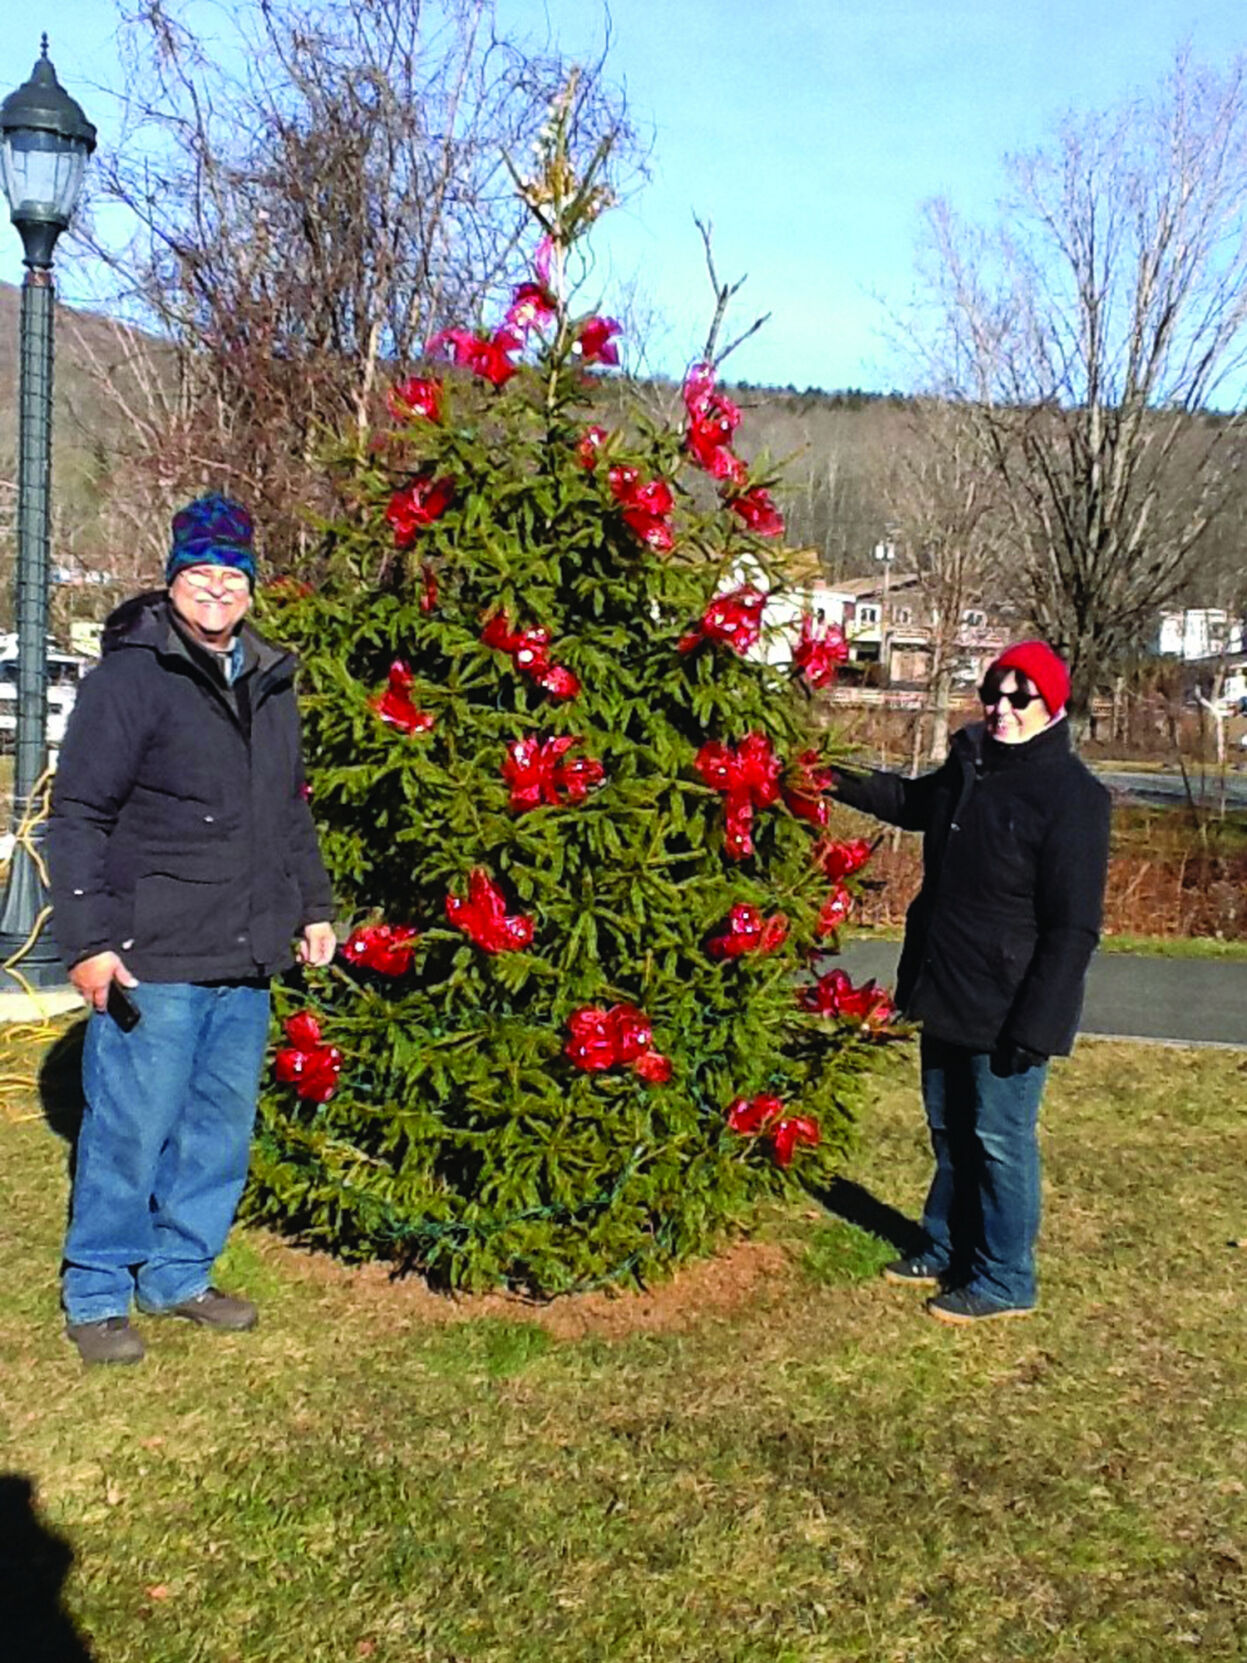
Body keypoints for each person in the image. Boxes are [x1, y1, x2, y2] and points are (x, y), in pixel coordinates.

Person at [48, 494, 335, 1366]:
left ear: (251, 585)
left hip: (244, 952)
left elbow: (288, 810)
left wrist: (313, 906)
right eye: (200, 571)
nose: (216, 588)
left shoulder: (269, 680)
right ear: (173, 579)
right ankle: (98, 1288)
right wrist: (88, 942)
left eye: (231, 574)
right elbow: (79, 814)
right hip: (153, 954)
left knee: (218, 1129)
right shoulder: (131, 678)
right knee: (130, 1129)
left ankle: (180, 1272)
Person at [832, 640, 1110, 1324]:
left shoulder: (1073, 797)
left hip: (1009, 1003)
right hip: (943, 982)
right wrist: (828, 776)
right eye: (993, 693)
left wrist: (1038, 1024)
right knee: (948, 1127)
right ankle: (946, 1244)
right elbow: (907, 800)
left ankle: (1005, 1276)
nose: (1002, 708)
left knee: (997, 1137)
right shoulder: (970, 766)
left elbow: (1073, 927)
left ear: (1052, 705)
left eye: (1020, 696)